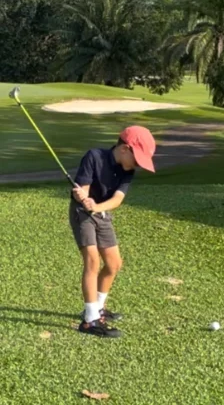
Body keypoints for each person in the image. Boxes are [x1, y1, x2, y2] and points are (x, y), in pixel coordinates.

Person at [71, 125, 157, 338]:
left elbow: (117, 199)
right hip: (82, 213)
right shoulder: (94, 157)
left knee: (114, 264)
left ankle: (98, 308)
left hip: (102, 212)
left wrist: (98, 207)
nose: (137, 165)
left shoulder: (128, 172)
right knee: (92, 261)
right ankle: (90, 321)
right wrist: (83, 197)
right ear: (125, 149)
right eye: (137, 159)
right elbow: (81, 191)